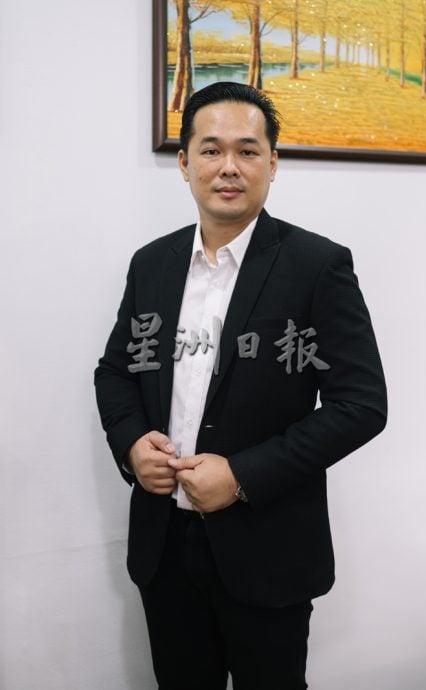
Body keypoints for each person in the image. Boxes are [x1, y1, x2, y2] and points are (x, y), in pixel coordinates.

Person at [94, 81, 387, 690]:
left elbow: (361, 404)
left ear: (272, 163)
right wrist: (131, 445)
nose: (229, 166)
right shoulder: (151, 264)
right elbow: (116, 371)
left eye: (248, 151)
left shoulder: (318, 265)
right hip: (164, 545)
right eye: (211, 149)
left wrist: (242, 475)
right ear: (185, 162)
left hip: (268, 545)